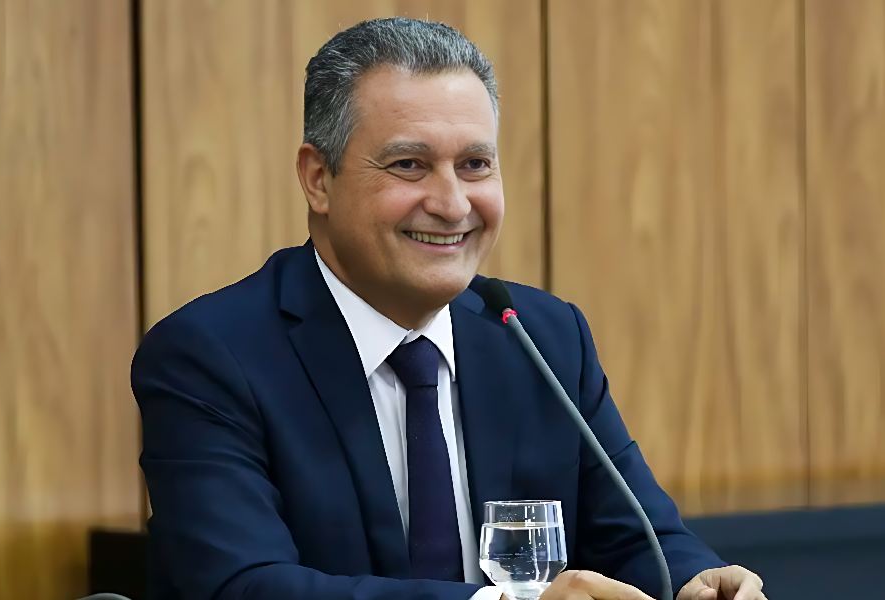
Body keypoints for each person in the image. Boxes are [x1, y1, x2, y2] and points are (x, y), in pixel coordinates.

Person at [132, 17, 766, 600]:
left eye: (475, 165)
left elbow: (639, 538)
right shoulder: (210, 356)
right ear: (318, 179)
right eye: (409, 165)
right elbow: (244, 586)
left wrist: (694, 580)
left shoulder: (542, 337)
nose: (453, 204)